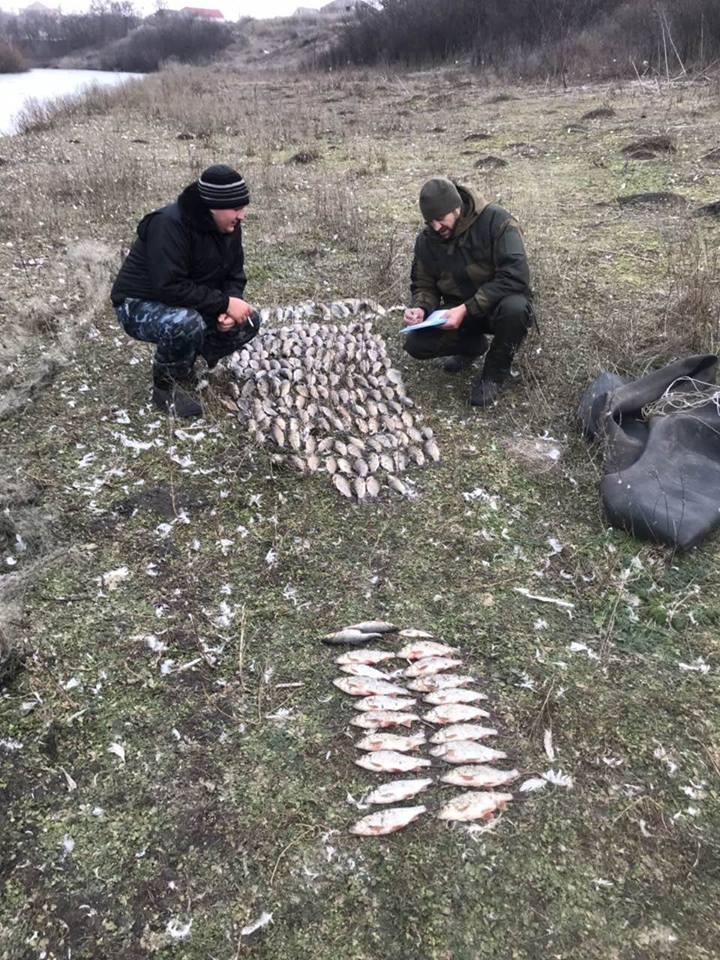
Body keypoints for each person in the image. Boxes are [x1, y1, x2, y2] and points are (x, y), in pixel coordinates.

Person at [111, 163, 260, 418]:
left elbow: (234, 274)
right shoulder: (168, 224)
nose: (242, 215)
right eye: (236, 208)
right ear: (214, 206)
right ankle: (165, 387)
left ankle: (190, 361)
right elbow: (168, 287)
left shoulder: (229, 227)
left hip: (186, 298)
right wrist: (222, 304)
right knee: (185, 323)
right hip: (137, 303)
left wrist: (231, 304)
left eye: (243, 207)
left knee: (248, 319)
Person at [403, 176, 533, 408]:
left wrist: (466, 309)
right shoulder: (426, 241)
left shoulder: (498, 222)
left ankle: (493, 374)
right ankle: (472, 346)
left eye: (440, 219)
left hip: (496, 308)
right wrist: (420, 308)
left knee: (516, 308)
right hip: (459, 313)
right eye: (430, 221)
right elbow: (424, 284)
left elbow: (516, 277)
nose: (436, 227)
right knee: (416, 343)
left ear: (457, 208)